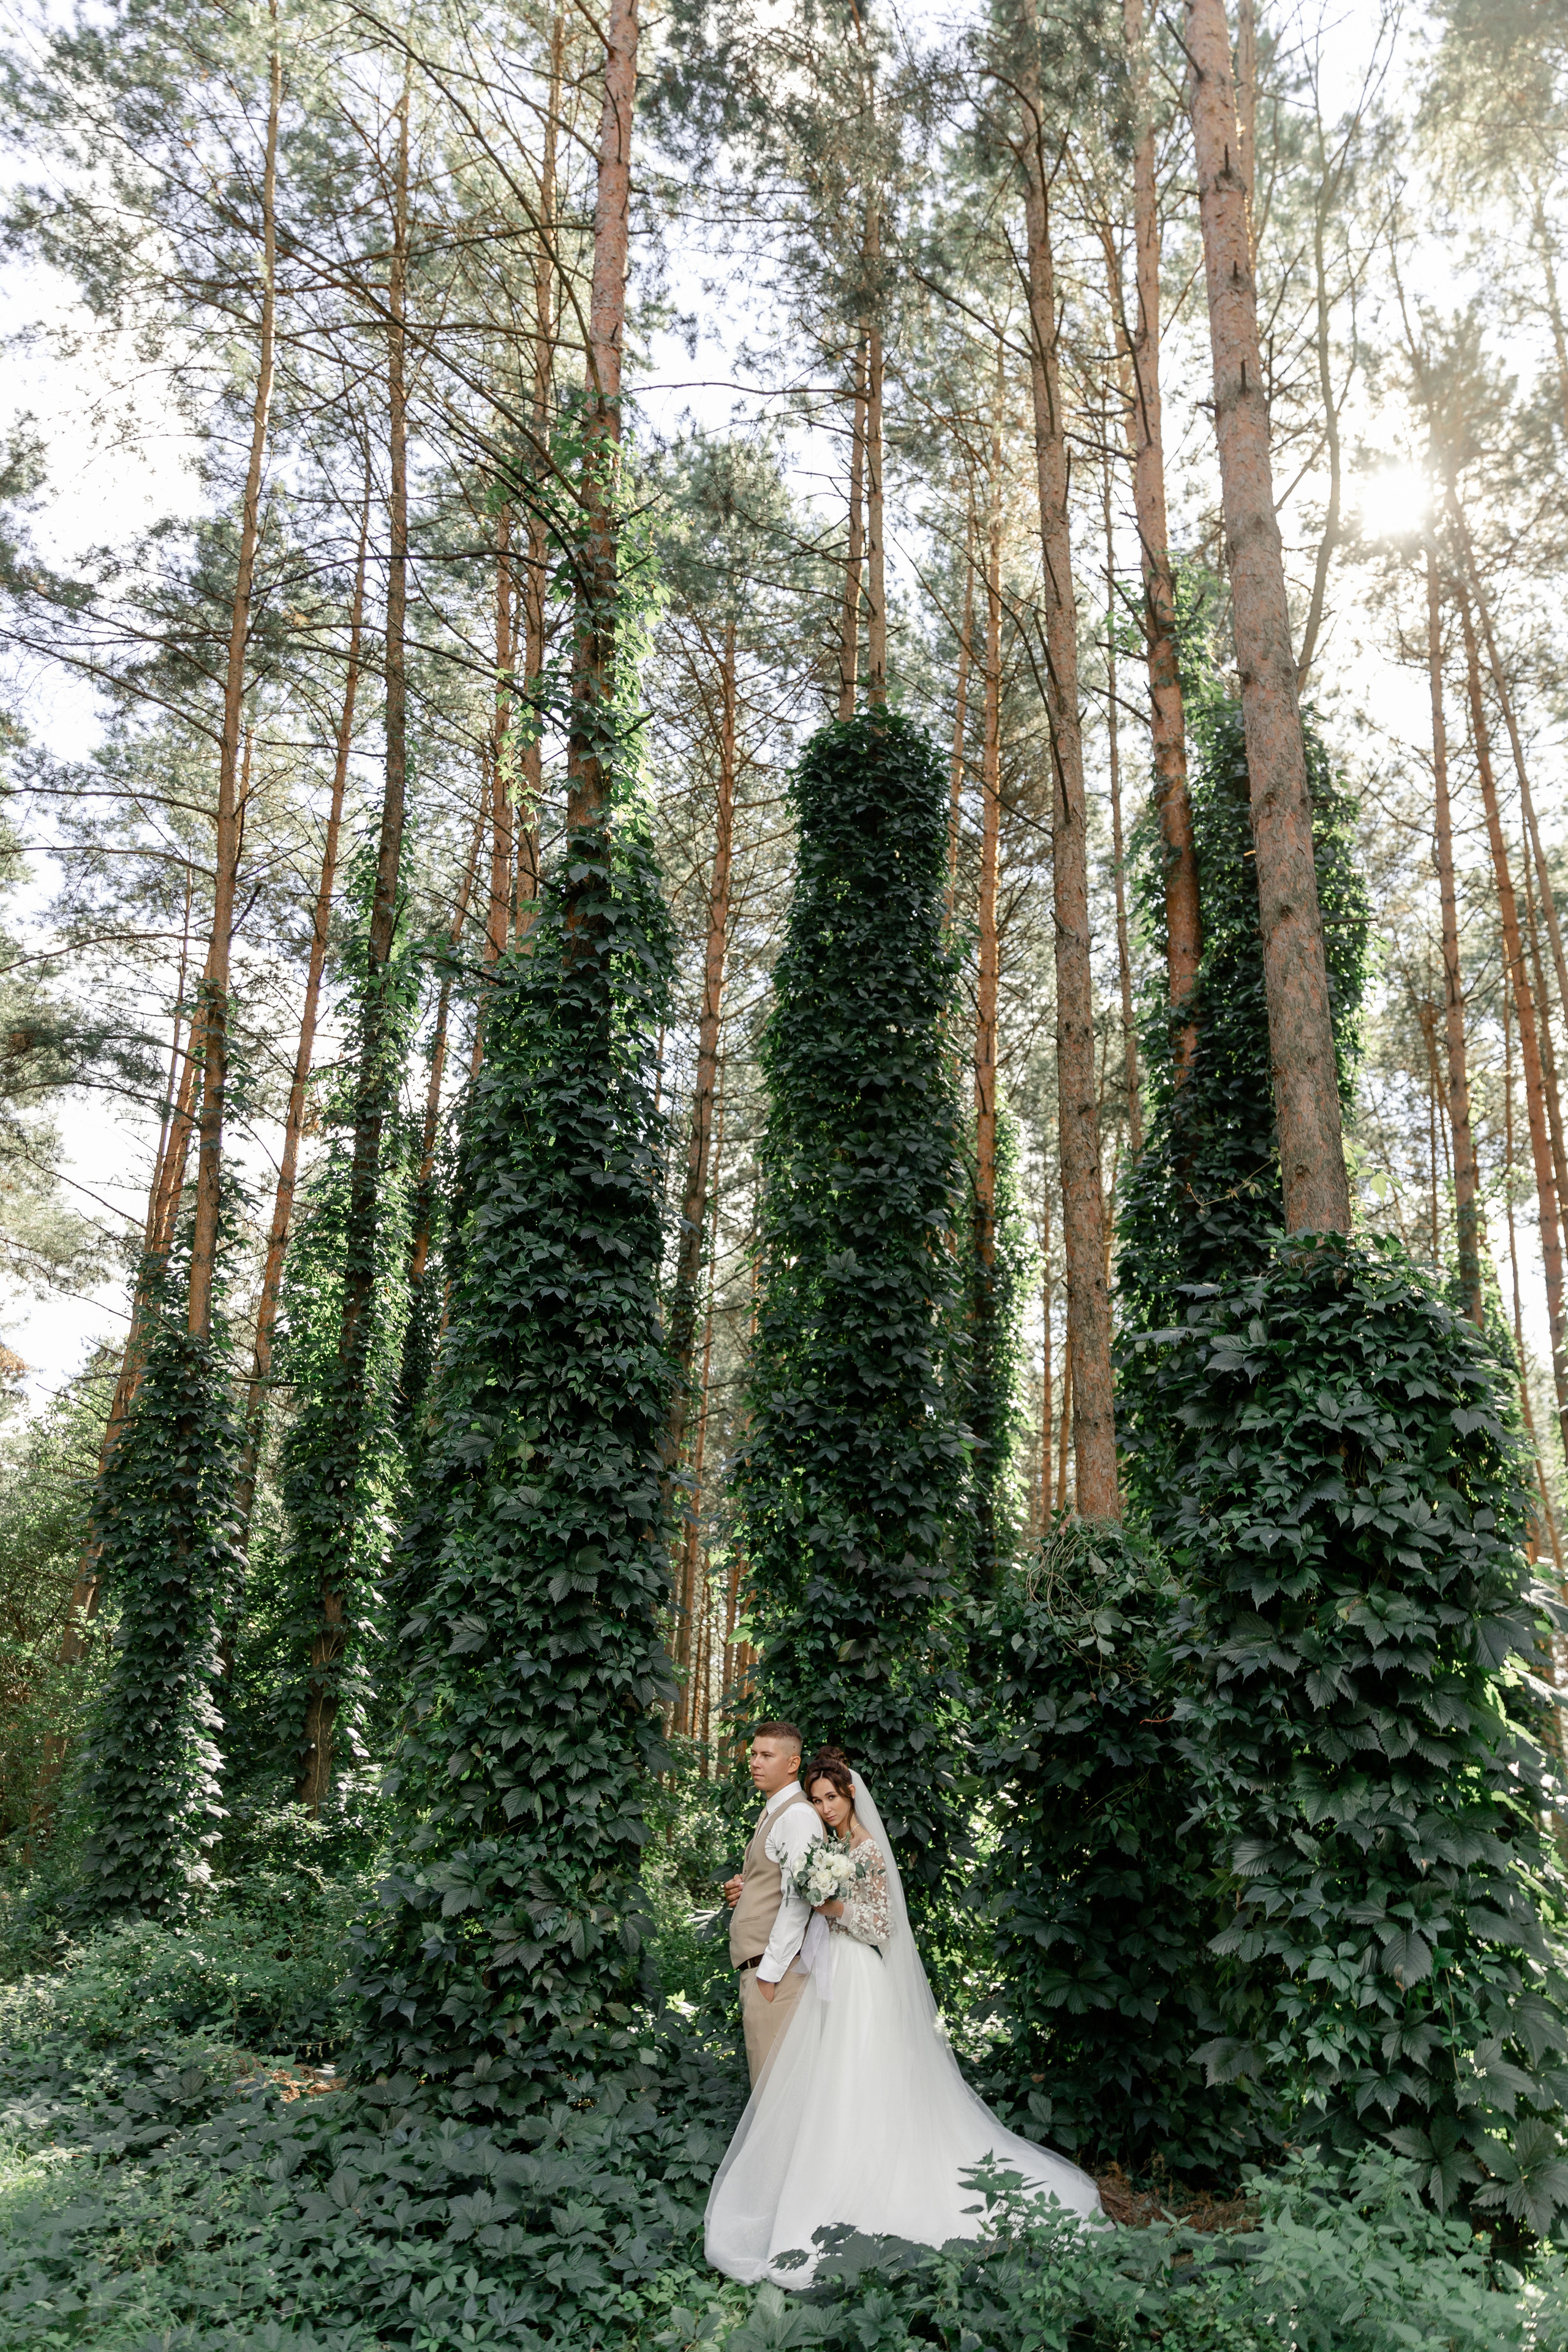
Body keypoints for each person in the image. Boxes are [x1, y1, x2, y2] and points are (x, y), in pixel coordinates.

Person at [706, 1745, 1102, 2285]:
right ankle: (818, 2186)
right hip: (826, 1975)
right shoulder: (830, 1843)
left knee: (857, 2083)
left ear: (850, 1796)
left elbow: (880, 1927)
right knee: (826, 2088)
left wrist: (831, 1904)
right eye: (817, 1799)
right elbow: (788, 1891)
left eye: (832, 1798)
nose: (824, 1808)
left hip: (858, 1978)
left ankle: (869, 2194)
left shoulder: (866, 1849)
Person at [722, 1721, 824, 2087]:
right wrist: (745, 1888)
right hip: (764, 1969)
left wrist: (769, 1973)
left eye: (767, 1755)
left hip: (775, 1976)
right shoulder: (774, 1811)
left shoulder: (796, 1816)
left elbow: (799, 1901)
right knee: (772, 2095)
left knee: (776, 2097)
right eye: (753, 1754)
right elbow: (779, 1882)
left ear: (793, 1763)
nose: (755, 1762)